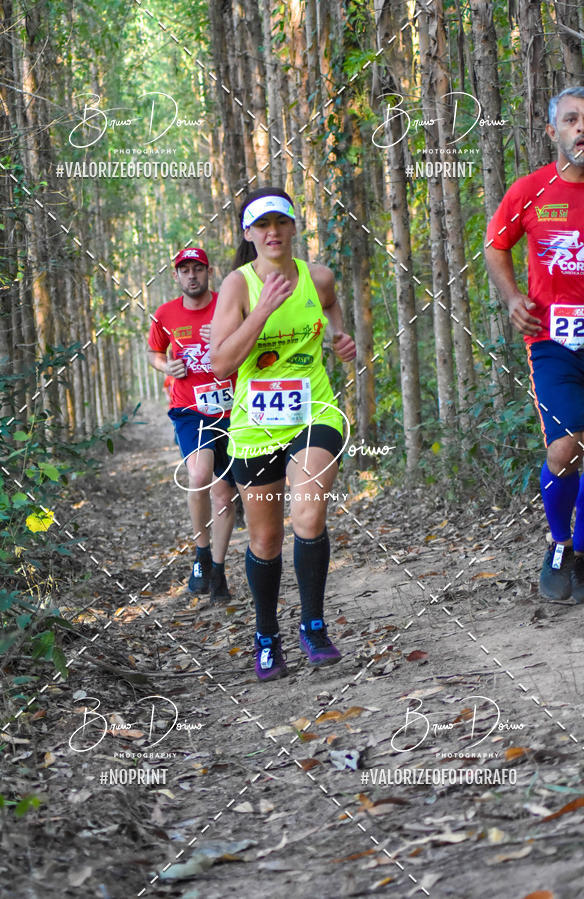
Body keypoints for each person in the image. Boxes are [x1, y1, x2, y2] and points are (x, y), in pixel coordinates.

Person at [210, 186, 356, 681]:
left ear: (294, 227)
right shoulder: (237, 286)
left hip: (315, 410)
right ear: (249, 235)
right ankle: (266, 635)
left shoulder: (318, 277)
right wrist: (263, 311)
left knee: (309, 513)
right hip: (254, 426)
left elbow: (331, 307)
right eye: (261, 225)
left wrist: (337, 336)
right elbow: (220, 364)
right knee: (267, 539)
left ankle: (313, 626)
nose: (272, 233)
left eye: (281, 223)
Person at [485, 85, 584, 602]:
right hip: (553, 339)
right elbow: (495, 244)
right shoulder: (531, 190)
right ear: (554, 132)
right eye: (571, 120)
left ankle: (583, 548)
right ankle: (560, 543)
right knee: (566, 449)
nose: (581, 128)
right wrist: (512, 297)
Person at [148, 247, 237, 604]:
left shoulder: (227, 305)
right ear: (176, 276)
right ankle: (201, 554)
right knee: (200, 477)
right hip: (190, 410)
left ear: (208, 271)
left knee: (224, 494)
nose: (192, 275)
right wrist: (165, 367)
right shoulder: (165, 314)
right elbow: (154, 352)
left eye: (197, 268)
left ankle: (217, 568)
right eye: (184, 270)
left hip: (233, 411)